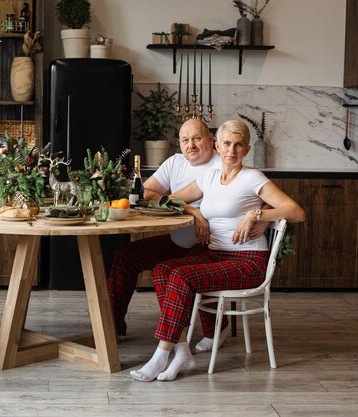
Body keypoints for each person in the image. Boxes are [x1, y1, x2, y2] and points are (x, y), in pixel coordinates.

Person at [129, 119, 305, 382]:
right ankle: (181, 351)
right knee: (163, 269)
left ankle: (161, 354)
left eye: (238, 145)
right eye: (226, 144)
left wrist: (257, 214)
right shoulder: (208, 178)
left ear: (245, 150)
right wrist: (194, 210)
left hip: (248, 261)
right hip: (216, 254)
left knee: (181, 275)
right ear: (217, 146)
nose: (231, 150)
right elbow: (167, 199)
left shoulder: (252, 177)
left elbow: (296, 212)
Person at [109, 118, 248, 352]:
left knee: (175, 270)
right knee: (126, 255)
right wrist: (192, 210)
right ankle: (113, 325)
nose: (190, 145)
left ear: (212, 140)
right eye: (185, 140)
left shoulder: (223, 164)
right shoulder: (175, 163)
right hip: (177, 239)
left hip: (210, 245)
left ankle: (215, 327)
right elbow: (149, 192)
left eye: (196, 138)